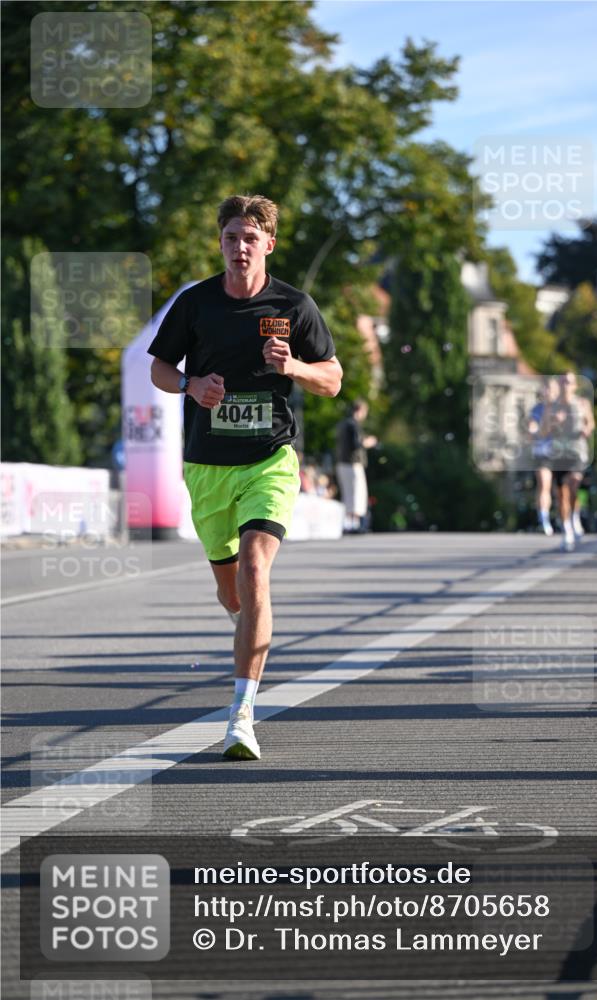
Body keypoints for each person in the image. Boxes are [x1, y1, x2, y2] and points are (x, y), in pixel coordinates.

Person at [148, 194, 342, 759]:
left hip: (269, 459)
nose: (239, 248)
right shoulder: (196, 304)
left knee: (256, 569)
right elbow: (159, 367)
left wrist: (294, 367)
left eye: (250, 239)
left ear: (269, 244)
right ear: (221, 242)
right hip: (208, 465)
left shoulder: (294, 305)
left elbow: (332, 379)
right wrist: (190, 385)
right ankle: (246, 623)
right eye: (231, 238)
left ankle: (241, 716)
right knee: (232, 591)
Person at [541, 371, 595, 552]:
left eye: (568, 382)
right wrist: (553, 422)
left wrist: (586, 429)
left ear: (574, 386)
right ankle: (567, 529)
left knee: (573, 484)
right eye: (562, 382)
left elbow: (591, 423)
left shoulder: (582, 403)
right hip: (558, 454)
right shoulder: (551, 406)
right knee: (561, 494)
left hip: (577, 452)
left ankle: (574, 516)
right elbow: (543, 431)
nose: (565, 385)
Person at [335, 399, 377, 533]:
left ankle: (348, 523)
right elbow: (356, 444)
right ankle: (354, 524)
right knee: (356, 493)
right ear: (361, 410)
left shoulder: (342, 424)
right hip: (352, 463)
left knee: (347, 493)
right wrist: (369, 442)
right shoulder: (353, 424)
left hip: (342, 462)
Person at [527, 377, 558, 535]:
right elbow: (532, 426)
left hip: (561, 453)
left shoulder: (562, 408)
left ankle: (569, 519)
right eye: (545, 389)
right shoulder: (537, 409)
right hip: (542, 453)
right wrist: (532, 430)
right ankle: (544, 519)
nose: (547, 392)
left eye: (550, 389)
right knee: (544, 484)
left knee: (562, 489)